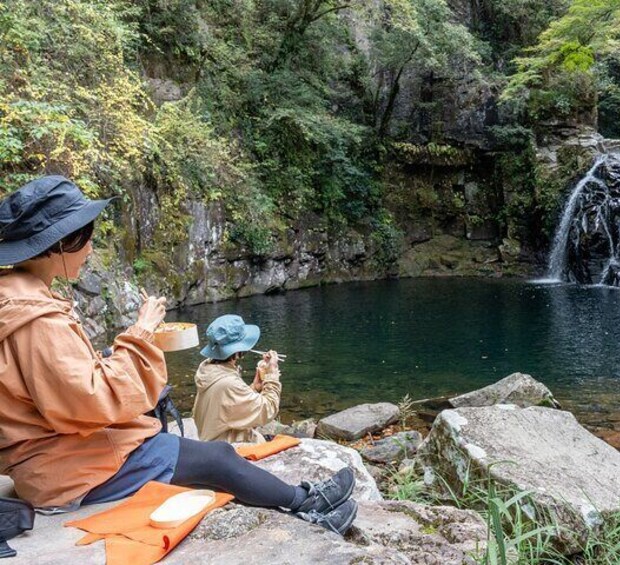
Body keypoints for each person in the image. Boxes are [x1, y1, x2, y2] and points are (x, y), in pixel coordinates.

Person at [0, 176, 357, 535]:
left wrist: (113, 352)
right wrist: (141, 331)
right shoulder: (36, 319)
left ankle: (302, 506)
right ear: (62, 242)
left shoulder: (17, 297)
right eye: (87, 238)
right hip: (66, 469)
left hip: (50, 458)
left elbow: (51, 384)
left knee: (197, 457)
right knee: (216, 459)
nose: (91, 249)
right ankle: (308, 505)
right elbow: (88, 402)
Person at [193, 315, 281, 444]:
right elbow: (268, 409)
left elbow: (227, 407)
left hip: (213, 443)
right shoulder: (228, 383)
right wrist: (272, 373)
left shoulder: (208, 369)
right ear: (238, 349)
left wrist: (254, 388)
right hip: (227, 450)